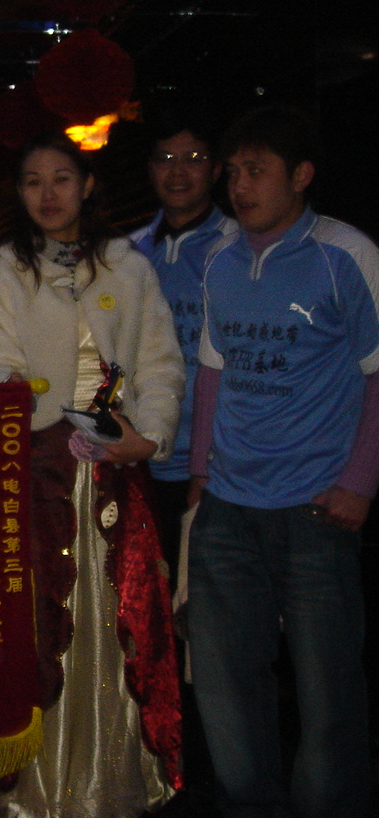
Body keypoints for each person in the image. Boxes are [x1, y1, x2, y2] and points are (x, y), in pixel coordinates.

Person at [0, 132, 183, 818]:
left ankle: (109, 780)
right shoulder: (5, 271)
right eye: (33, 181)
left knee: (117, 622)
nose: (49, 194)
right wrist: (30, 415)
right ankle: (33, 784)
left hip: (115, 468)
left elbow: (160, 362)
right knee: (39, 620)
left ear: (88, 184)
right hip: (37, 470)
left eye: (62, 178)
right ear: (18, 193)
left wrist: (147, 436)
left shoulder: (128, 265)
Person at [186, 105, 376, 818]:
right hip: (229, 502)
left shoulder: (345, 255)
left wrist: (360, 482)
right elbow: (212, 371)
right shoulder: (220, 258)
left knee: (328, 688)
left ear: (301, 175)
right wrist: (200, 479)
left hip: (316, 504)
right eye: (233, 171)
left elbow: (377, 373)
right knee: (228, 678)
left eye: (256, 170)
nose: (239, 186)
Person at [128, 107, 235, 582]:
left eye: (193, 158)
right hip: (138, 458)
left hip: (219, 468)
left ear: (216, 169)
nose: (177, 171)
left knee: (210, 601)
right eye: (165, 158)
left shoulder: (238, 247)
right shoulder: (125, 254)